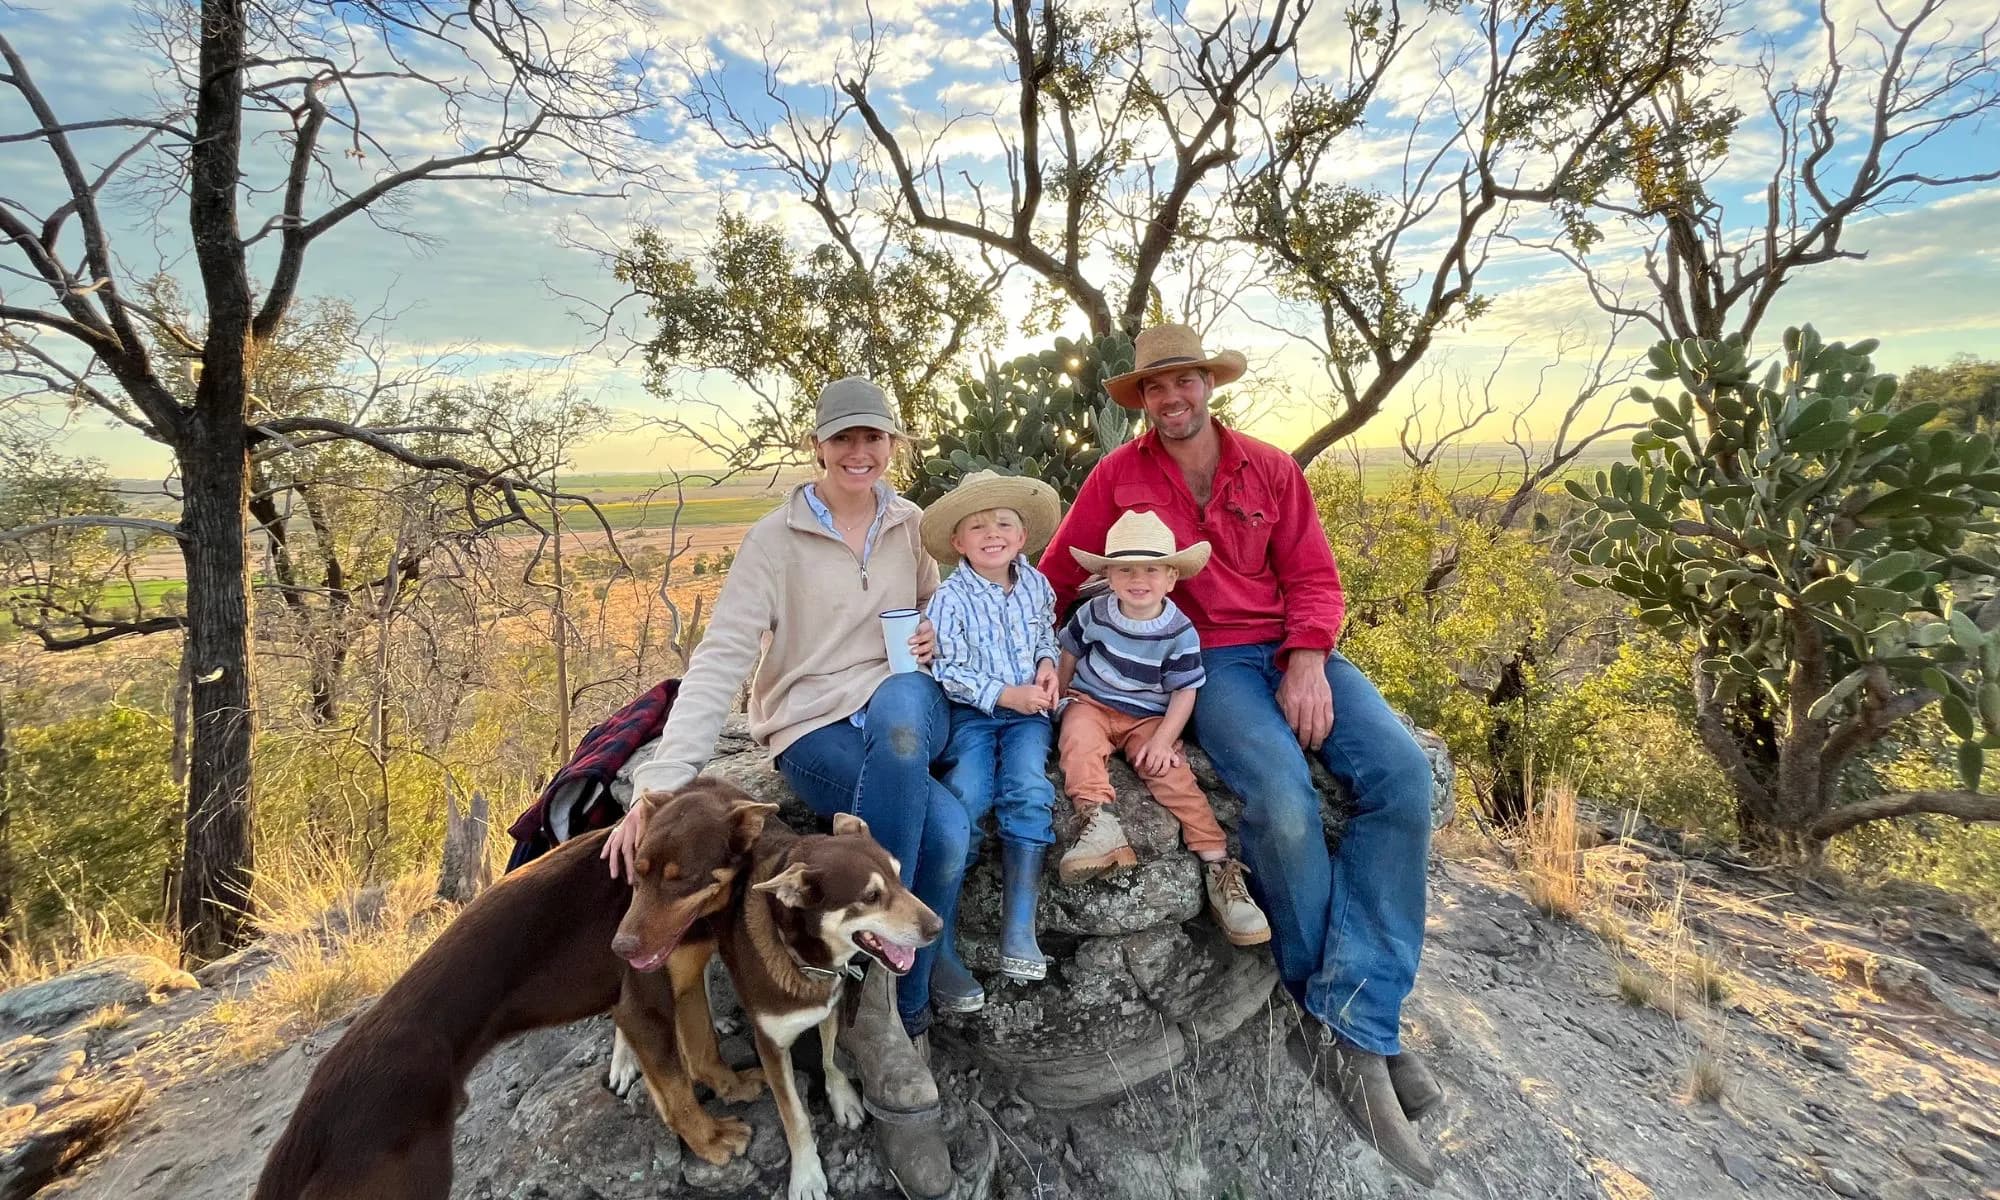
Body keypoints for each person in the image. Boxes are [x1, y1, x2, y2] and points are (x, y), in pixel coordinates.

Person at [1039, 325, 1443, 1185]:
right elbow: (1054, 578)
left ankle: (1357, 1017)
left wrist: (1309, 659)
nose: (1171, 398)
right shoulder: (1117, 478)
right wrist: (985, 636)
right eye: (1155, 387)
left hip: (1296, 650)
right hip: (1208, 665)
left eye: (1184, 381)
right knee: (1284, 804)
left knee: (1404, 780)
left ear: (1207, 385)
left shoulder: (1270, 468)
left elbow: (1315, 577)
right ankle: (1354, 1033)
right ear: (1142, 399)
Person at [605, 376, 957, 1197]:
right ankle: (891, 1018)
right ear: (818, 447)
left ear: (894, 444)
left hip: (892, 715)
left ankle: (891, 1003)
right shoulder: (775, 538)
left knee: (941, 810)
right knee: (933, 817)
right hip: (811, 725)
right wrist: (661, 782)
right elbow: (724, 653)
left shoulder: (912, 526)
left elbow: (943, 609)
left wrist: (940, 635)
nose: (859, 452)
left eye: (874, 438)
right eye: (843, 439)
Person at [1052, 509, 1269, 946]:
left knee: (1171, 774)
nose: (1138, 579)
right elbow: (1069, 652)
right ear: (1108, 576)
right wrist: (1058, 696)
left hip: (1148, 716)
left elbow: (1185, 692)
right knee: (1077, 740)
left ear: (1171, 578)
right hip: (1092, 701)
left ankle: (1218, 867)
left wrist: (1165, 740)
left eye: (1151, 569)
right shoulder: (1094, 612)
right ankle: (1098, 823)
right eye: (1125, 569)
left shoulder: (1179, 632)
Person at [916, 470, 1064, 1016]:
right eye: (977, 527)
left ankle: (1019, 929)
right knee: (967, 796)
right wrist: (1005, 694)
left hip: (1029, 716)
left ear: (1022, 536)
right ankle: (942, 944)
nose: (992, 534)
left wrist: (1047, 664)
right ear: (958, 542)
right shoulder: (949, 598)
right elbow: (946, 669)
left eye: (1003, 524)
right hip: (974, 715)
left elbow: (1046, 632)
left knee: (1029, 787)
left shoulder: (1036, 584)